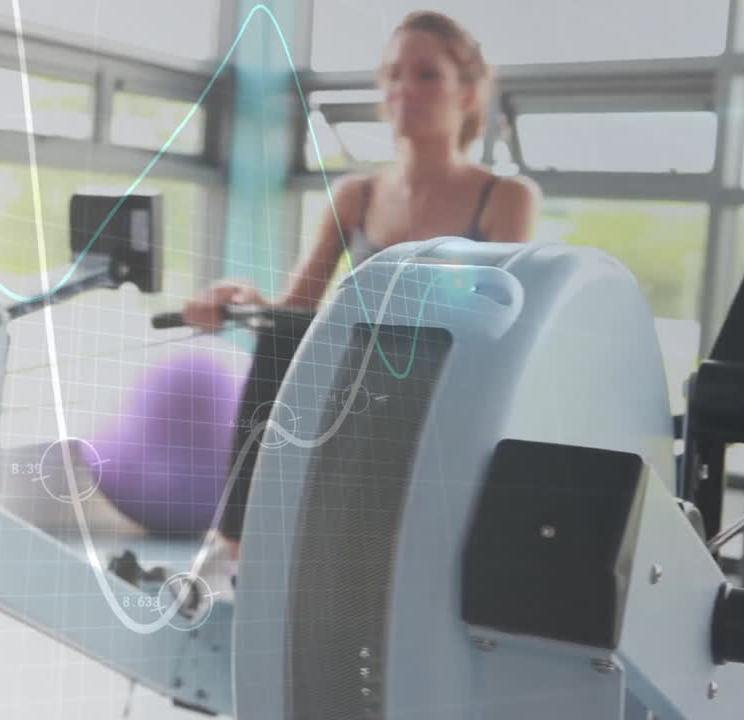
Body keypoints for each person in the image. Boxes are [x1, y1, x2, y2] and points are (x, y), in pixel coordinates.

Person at [182, 10, 542, 583]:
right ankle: (234, 545)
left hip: (445, 379)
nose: (404, 89)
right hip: (359, 376)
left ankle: (239, 545)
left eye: (426, 74)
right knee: (281, 335)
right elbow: (296, 309)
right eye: (393, 74)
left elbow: (502, 325)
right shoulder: (357, 195)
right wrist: (240, 297)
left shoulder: (505, 198)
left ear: (469, 93)